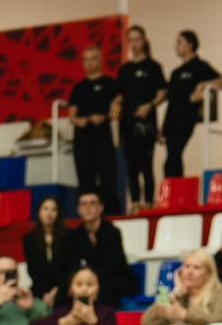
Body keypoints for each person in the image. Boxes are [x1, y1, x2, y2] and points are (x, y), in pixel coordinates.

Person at [160, 31, 222, 182]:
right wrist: (163, 128)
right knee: (173, 160)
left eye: (180, 43)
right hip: (172, 120)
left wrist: (202, 85)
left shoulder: (199, 66)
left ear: (190, 45)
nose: (176, 46)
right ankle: (176, 188)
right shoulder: (175, 72)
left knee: (172, 159)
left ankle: (176, 188)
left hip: (185, 118)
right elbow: (171, 101)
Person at [115, 22, 165, 210]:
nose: (134, 44)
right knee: (131, 166)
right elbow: (120, 94)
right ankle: (135, 202)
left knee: (146, 165)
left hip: (146, 124)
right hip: (127, 123)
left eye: (137, 39)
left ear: (144, 41)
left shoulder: (153, 67)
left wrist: (149, 106)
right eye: (131, 40)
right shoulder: (124, 69)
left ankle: (149, 203)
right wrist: (114, 105)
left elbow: (162, 91)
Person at [68, 44, 122, 210]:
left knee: (108, 177)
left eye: (93, 59)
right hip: (83, 139)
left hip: (103, 136)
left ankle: (111, 212)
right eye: (86, 60)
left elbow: (116, 110)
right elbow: (72, 114)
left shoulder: (110, 84)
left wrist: (104, 117)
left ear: (100, 60)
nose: (90, 63)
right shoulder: (79, 87)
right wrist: (80, 121)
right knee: (85, 178)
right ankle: (87, 211)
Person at [65, 191, 136, 300]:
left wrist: (92, 280)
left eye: (92, 203)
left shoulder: (113, 232)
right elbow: (73, 264)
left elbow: (114, 264)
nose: (88, 208)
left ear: (100, 208)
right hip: (87, 279)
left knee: (105, 289)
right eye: (83, 204)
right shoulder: (75, 235)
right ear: (78, 210)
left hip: (112, 278)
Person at [22, 194, 73, 306]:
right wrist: (44, 293)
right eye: (45, 209)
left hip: (63, 288)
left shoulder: (69, 236)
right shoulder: (29, 239)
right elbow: (32, 270)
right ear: (39, 212)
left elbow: (69, 267)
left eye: (53, 210)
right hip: (39, 289)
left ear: (58, 213)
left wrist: (55, 291)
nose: (49, 213)